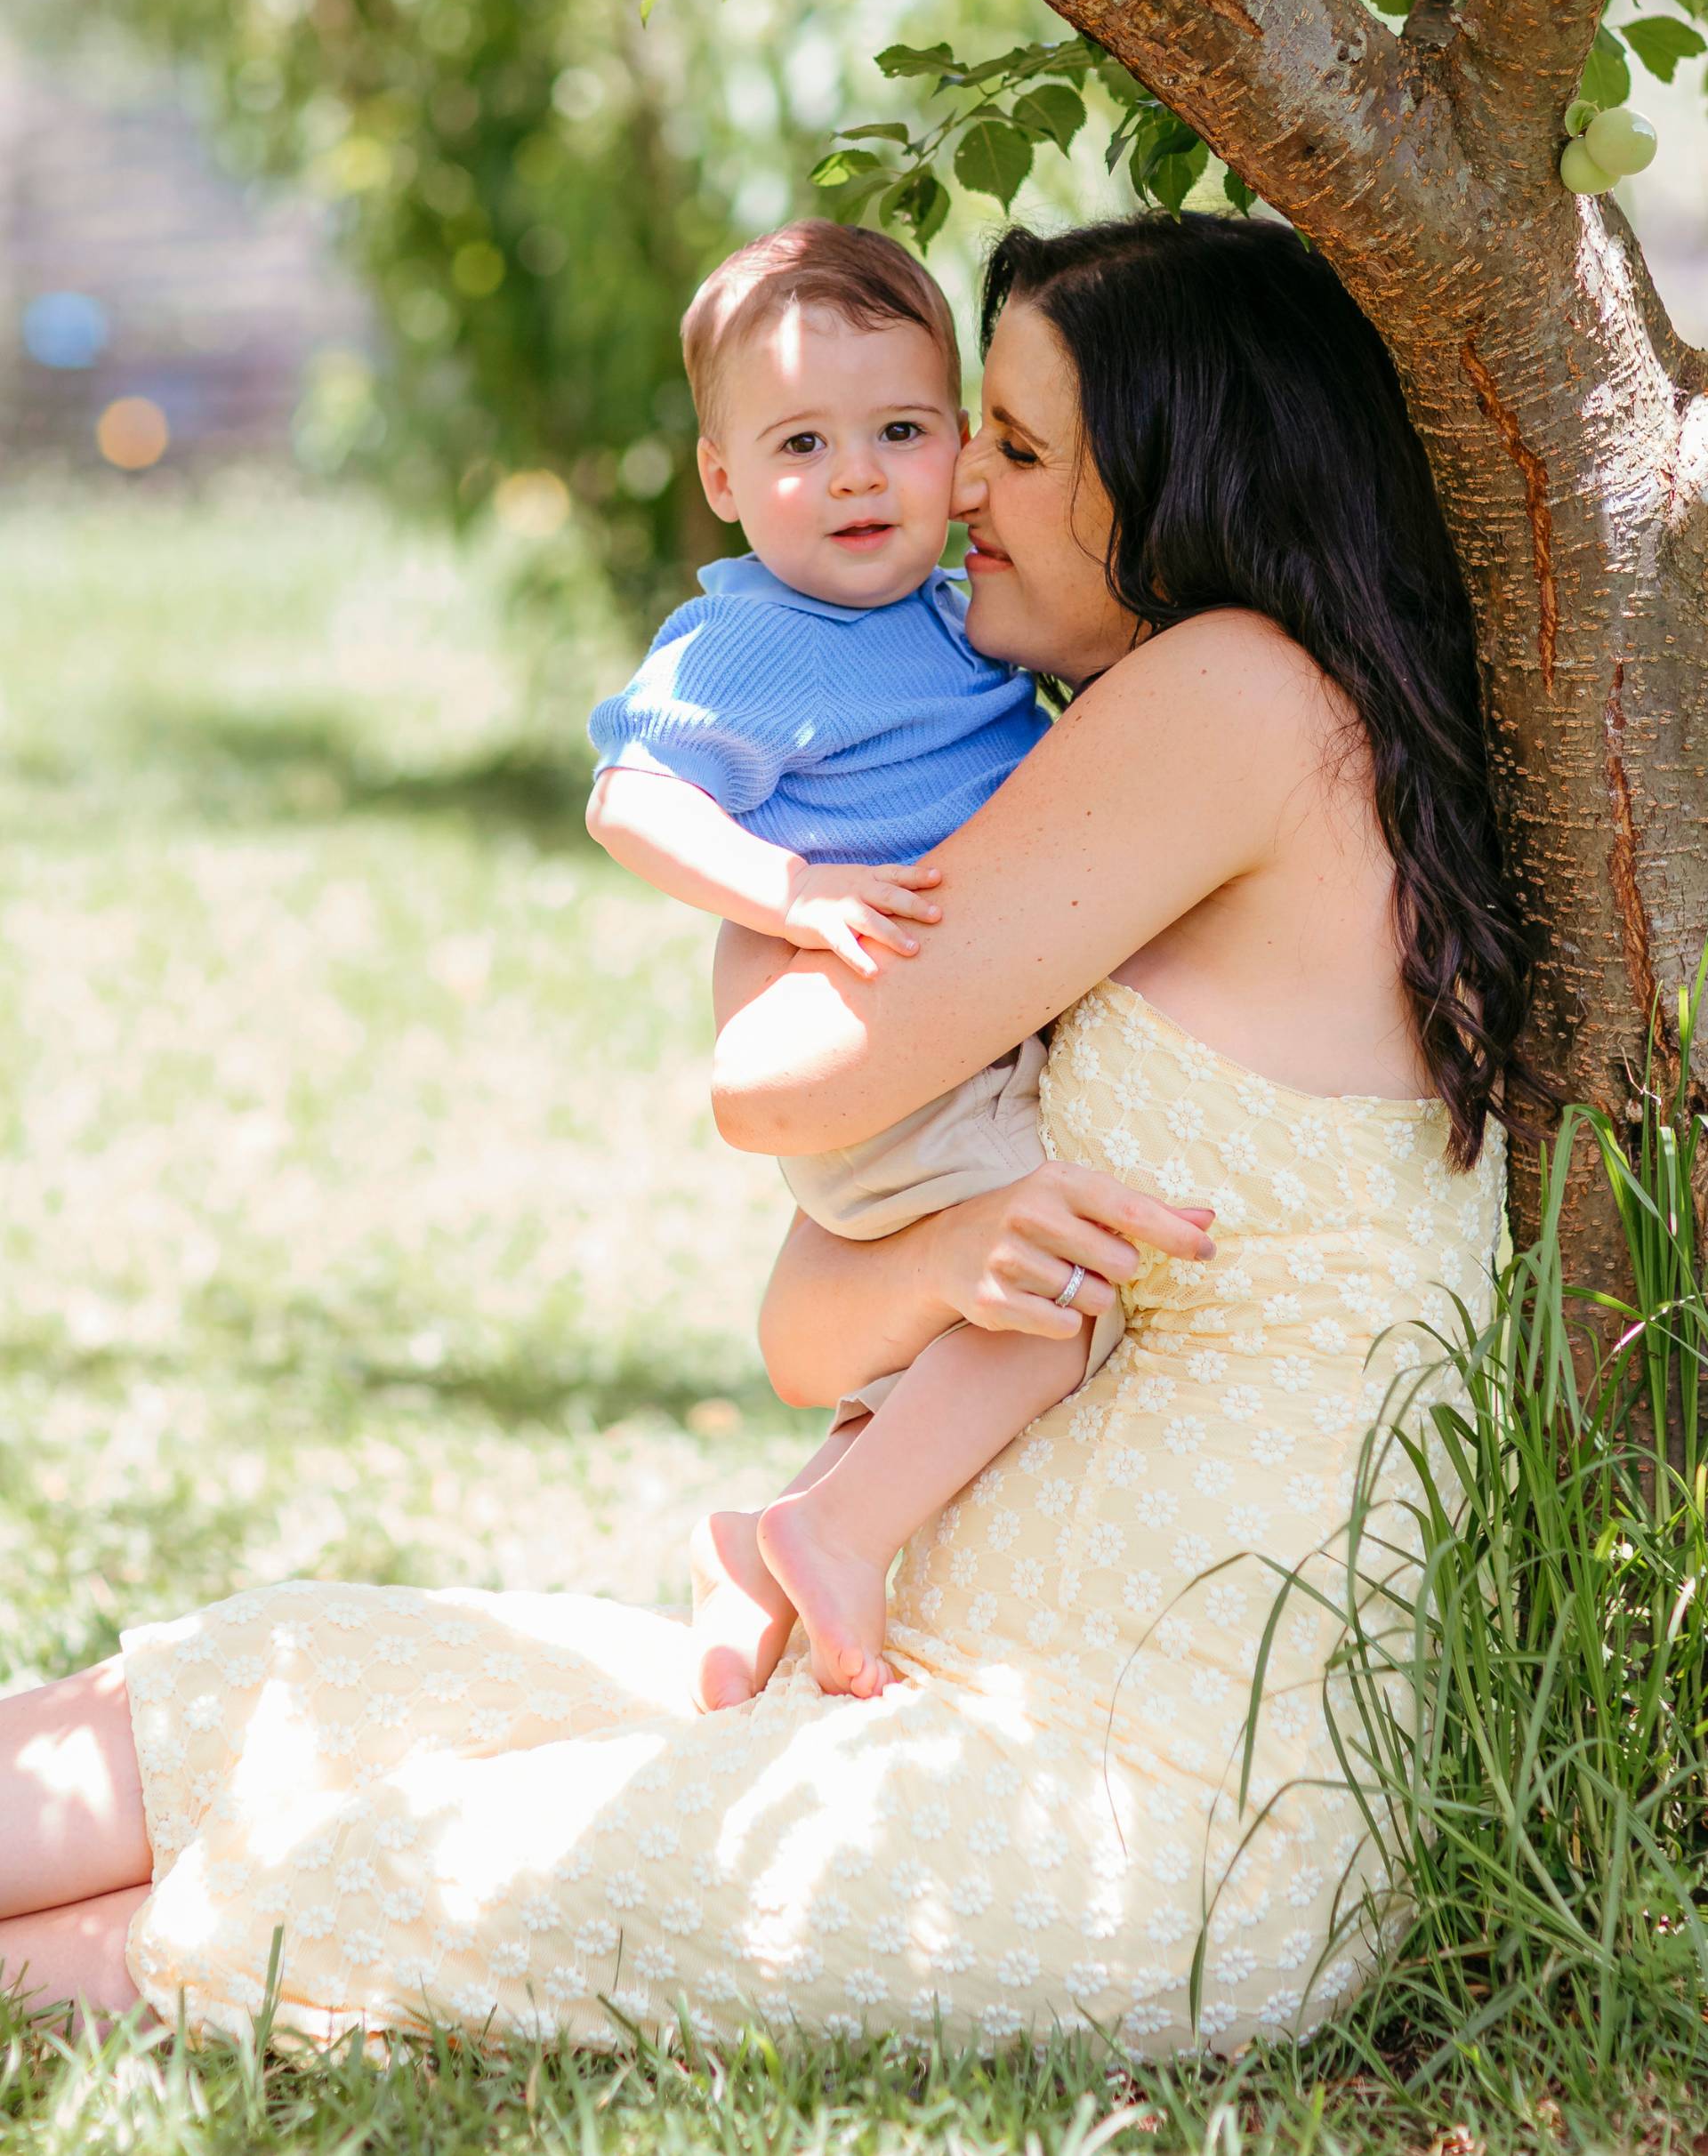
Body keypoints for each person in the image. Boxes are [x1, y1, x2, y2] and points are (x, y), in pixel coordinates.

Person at [0, 213, 1537, 2060]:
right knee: (300, 1668)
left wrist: (775, 888)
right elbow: (805, 1332)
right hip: (904, 1675)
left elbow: (782, 1080)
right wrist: (940, 1252)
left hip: (1136, 1796)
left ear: (1178, 472)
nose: (961, 487)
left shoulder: (1233, 691)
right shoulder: (1154, 732)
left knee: (395, 1859)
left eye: (1015, 447)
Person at [584, 220, 1125, 1710]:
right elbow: (629, 797)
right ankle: (840, 1532)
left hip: (951, 1039)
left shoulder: (955, 619)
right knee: (1061, 1297)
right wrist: (790, 889)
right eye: (801, 445)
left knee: (955, 1331)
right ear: (721, 479)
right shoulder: (755, 640)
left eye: (899, 431)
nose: (857, 478)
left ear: (961, 445)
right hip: (886, 1058)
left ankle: (759, 1553)